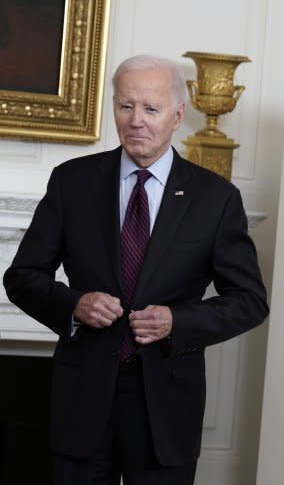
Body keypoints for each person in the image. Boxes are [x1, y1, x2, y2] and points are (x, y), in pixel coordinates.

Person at [2, 54, 269, 484]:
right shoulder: (72, 182)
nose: (136, 121)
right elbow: (22, 278)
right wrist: (74, 306)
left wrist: (176, 321)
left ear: (177, 115)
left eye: (150, 108)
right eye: (125, 106)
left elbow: (250, 301)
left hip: (166, 407)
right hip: (83, 401)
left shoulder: (215, 198)